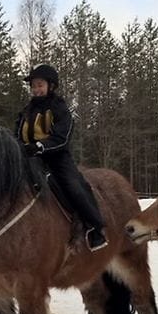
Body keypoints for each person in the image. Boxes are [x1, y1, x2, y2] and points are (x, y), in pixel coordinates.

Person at [16, 64, 108, 251]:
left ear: (51, 85)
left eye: (40, 85)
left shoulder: (59, 108)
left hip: (56, 157)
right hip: (28, 158)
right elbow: (16, 133)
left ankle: (94, 228)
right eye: (33, 86)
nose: (36, 89)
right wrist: (17, 148)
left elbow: (61, 137)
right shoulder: (26, 110)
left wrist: (40, 147)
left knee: (74, 187)